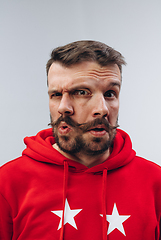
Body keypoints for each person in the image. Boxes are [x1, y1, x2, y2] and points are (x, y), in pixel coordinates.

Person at [0, 40, 161, 240]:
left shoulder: (155, 182)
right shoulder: (7, 183)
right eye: (82, 92)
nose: (102, 109)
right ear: (58, 102)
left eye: (110, 93)